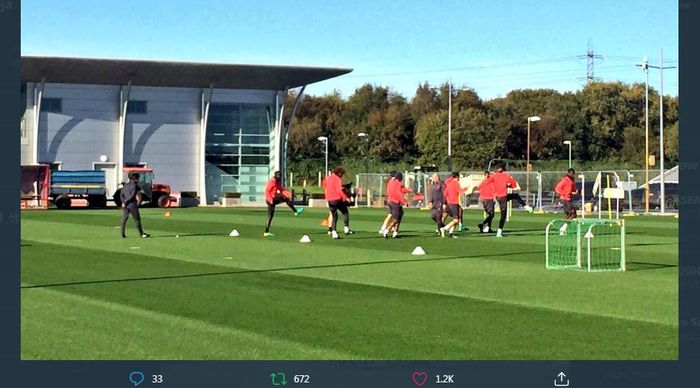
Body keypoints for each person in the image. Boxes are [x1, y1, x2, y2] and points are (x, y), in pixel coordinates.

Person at [490, 164, 532, 237]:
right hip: (503, 197)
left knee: (515, 196)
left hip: (498, 197)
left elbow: (488, 183)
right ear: (503, 170)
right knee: (503, 215)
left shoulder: (493, 176)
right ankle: (499, 232)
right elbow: (514, 185)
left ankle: (526, 207)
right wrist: (508, 185)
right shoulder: (506, 176)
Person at [264, 171, 304, 237]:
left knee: (270, 216)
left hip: (273, 199)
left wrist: (290, 194)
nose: (280, 177)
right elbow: (266, 191)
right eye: (278, 176)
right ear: (276, 176)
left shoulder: (277, 182)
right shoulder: (272, 182)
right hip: (270, 200)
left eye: (280, 176)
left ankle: (266, 232)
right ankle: (295, 211)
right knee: (284, 199)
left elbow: (282, 190)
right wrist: (270, 199)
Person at [324, 166, 353, 239]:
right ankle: (346, 228)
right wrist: (346, 198)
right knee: (345, 212)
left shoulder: (328, 178)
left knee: (334, 216)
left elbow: (325, 187)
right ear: (339, 173)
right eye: (342, 174)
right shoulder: (337, 179)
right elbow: (338, 190)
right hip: (337, 199)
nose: (342, 176)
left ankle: (334, 233)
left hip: (330, 200)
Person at [120, 173, 150, 239]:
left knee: (124, 219)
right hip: (132, 204)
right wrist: (125, 202)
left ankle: (122, 234)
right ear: (136, 179)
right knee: (137, 219)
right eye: (138, 178)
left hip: (125, 205)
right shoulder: (135, 185)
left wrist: (123, 202)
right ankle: (141, 233)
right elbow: (132, 195)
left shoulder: (125, 185)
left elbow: (121, 195)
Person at [383, 172, 411, 238]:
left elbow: (400, 190)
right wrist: (405, 202)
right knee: (396, 219)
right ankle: (386, 230)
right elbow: (399, 193)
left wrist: (407, 190)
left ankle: (396, 231)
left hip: (390, 201)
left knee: (401, 213)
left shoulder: (391, 182)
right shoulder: (398, 183)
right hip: (395, 202)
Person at [440, 172, 464, 238]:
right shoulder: (456, 184)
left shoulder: (449, 184)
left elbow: (445, 194)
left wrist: (444, 202)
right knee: (456, 220)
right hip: (453, 203)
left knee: (455, 218)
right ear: (457, 177)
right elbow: (460, 191)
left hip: (448, 203)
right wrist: (466, 189)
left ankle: (451, 233)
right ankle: (444, 228)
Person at [555, 168, 579, 234]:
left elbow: (571, 189)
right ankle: (563, 228)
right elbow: (557, 189)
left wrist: (575, 191)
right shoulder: (565, 180)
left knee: (572, 214)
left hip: (570, 199)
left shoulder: (572, 180)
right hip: (565, 199)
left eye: (573, 174)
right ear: (568, 173)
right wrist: (565, 193)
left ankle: (563, 227)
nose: (573, 175)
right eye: (571, 173)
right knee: (572, 213)